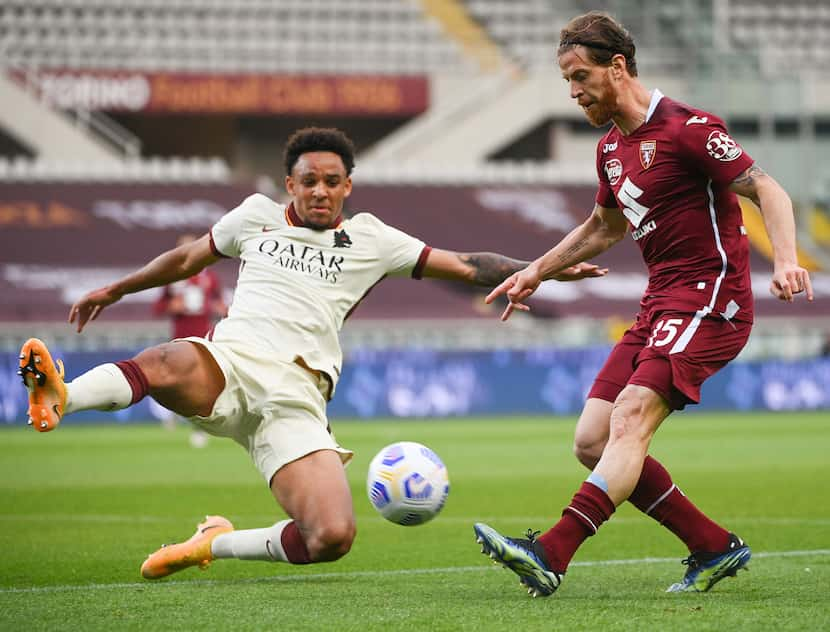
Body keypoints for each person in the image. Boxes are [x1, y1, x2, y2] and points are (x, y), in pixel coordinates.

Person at [18, 127, 605, 580]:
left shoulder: (374, 239)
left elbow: (468, 265)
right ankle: (62, 396)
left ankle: (212, 543)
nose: (319, 190)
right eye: (308, 181)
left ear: (348, 185)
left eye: (331, 181)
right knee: (169, 359)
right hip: (231, 365)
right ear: (289, 185)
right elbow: (186, 260)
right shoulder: (254, 217)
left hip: (298, 399)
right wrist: (117, 288)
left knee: (330, 537)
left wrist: (543, 269)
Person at [475, 11, 814, 597]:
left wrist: (785, 258)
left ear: (619, 66)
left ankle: (551, 552)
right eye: (567, 82)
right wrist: (535, 272)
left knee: (631, 418)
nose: (574, 92)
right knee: (591, 441)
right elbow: (602, 228)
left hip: (711, 298)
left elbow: (767, 186)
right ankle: (712, 546)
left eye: (580, 77)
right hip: (659, 305)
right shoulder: (611, 148)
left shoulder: (687, 127)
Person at [152, 233, 227, 445]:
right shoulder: (172, 277)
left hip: (203, 336)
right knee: (175, 381)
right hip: (179, 337)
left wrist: (219, 308)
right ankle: (172, 417)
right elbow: (158, 307)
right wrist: (170, 307)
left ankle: (200, 426)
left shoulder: (210, 277)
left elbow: (220, 303)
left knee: (202, 382)